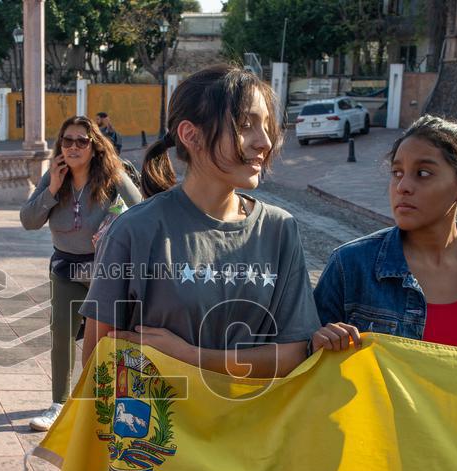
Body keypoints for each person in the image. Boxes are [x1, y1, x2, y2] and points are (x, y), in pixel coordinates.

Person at [82, 64, 320, 379]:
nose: (264, 142)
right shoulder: (135, 230)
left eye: (267, 126)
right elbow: (98, 362)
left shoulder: (279, 229)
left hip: (252, 424)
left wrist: (190, 356)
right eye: (246, 125)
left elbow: (293, 353)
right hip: (161, 426)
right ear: (191, 135)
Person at [312, 109, 457, 354]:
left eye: (423, 174)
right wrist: (317, 343)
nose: (403, 186)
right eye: (397, 173)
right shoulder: (351, 265)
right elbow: (307, 366)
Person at [20, 116, 142, 431]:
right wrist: (53, 190)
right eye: (67, 141)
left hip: (106, 270)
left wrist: (116, 221)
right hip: (66, 268)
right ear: (60, 146)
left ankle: (112, 401)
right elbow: (28, 220)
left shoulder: (111, 175)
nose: (74, 147)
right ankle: (59, 403)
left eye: (81, 141)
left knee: (111, 337)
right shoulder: (54, 177)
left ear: (93, 146)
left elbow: (143, 209)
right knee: (61, 331)